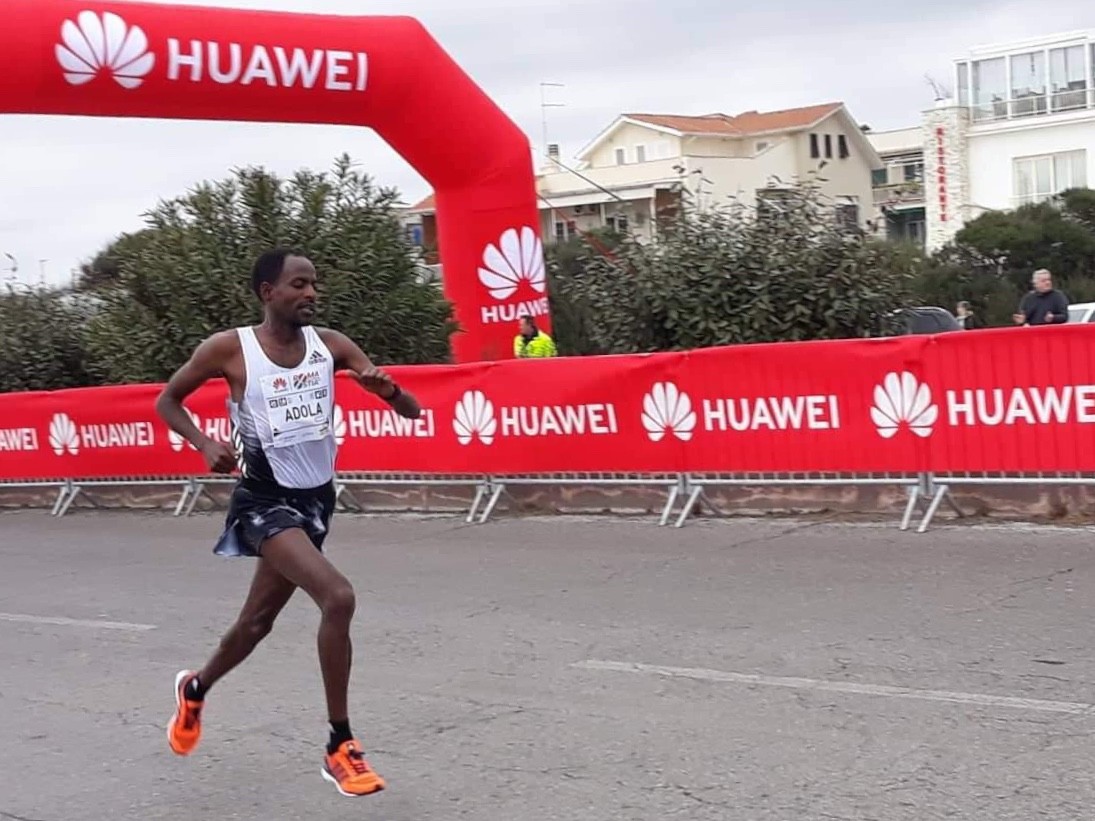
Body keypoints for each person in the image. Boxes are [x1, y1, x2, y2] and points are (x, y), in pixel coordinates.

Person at [154, 248, 421, 798]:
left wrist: (389, 392)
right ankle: (340, 745)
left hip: (316, 502)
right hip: (262, 500)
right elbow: (168, 401)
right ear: (267, 292)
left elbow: (412, 410)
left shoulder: (332, 345)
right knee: (338, 597)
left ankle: (195, 688)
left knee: (256, 623)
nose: (310, 293)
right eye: (298, 284)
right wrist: (203, 442)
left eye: (314, 284)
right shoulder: (230, 349)